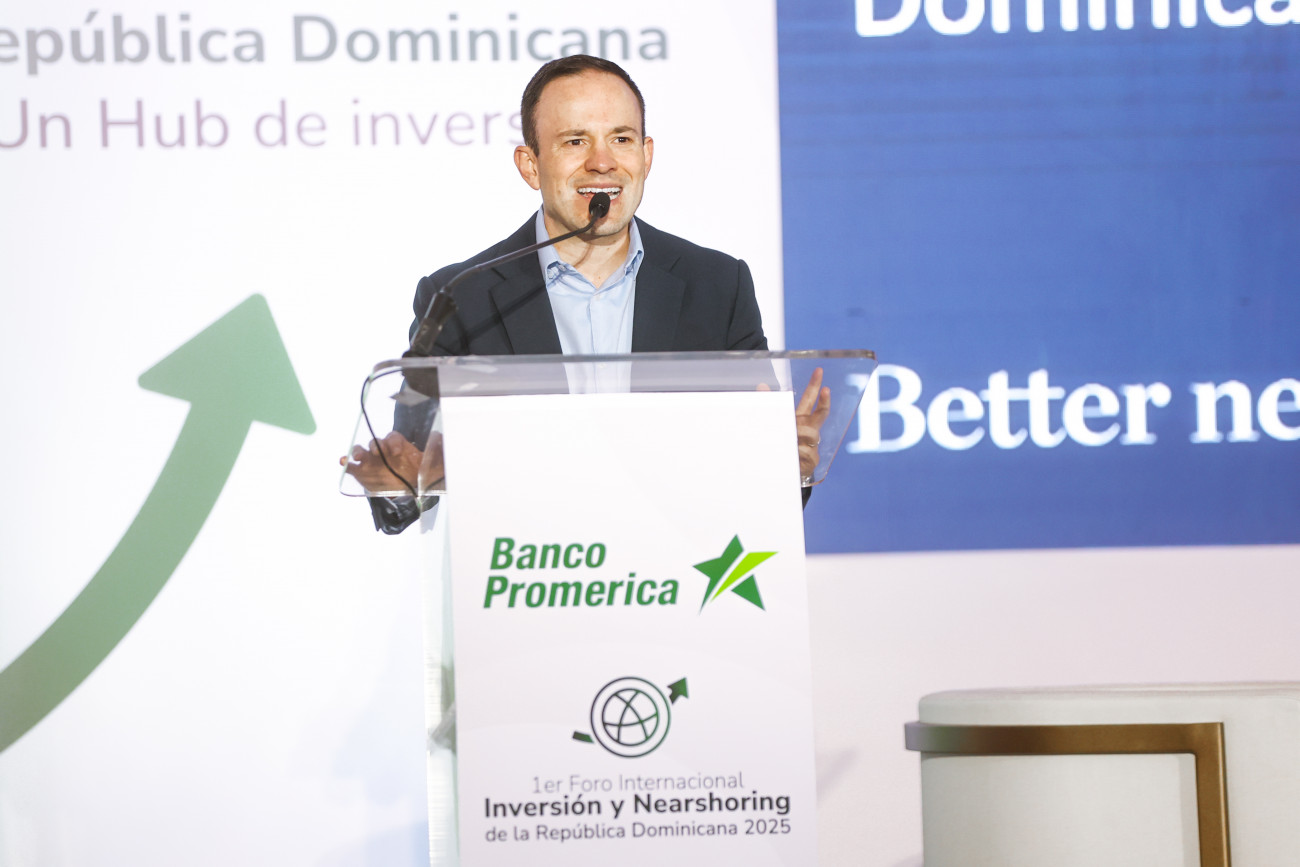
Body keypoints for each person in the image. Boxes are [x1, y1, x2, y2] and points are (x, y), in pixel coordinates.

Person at [343, 55, 828, 531]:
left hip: (675, 573)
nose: (602, 162)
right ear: (530, 166)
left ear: (647, 156)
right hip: (525, 572)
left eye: (621, 139)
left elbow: (758, 476)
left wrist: (787, 467)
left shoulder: (718, 286)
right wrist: (400, 487)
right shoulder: (461, 298)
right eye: (575, 141)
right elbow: (408, 470)